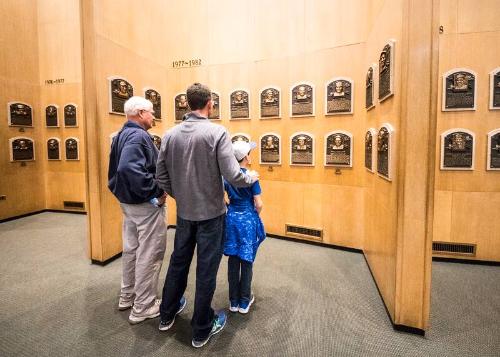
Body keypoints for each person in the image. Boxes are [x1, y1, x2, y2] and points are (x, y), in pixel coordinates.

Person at [156, 83, 259, 348]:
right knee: (206, 270)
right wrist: (251, 177)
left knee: (178, 262)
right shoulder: (217, 132)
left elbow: (161, 176)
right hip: (212, 215)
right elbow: (233, 174)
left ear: (187, 104)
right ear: (210, 103)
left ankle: (166, 314)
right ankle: (202, 329)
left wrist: (180, 194)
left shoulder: (169, 135)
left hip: (185, 213)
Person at [108, 96, 176, 325]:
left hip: (129, 204)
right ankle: (144, 306)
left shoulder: (122, 134)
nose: (154, 115)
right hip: (144, 206)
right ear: (139, 113)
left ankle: (127, 296)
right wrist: (156, 190)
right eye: (151, 112)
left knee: (132, 250)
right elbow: (128, 168)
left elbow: (120, 170)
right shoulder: (138, 136)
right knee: (150, 253)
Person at [224, 140, 265, 315]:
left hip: (231, 218)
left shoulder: (227, 176)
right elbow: (259, 203)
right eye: (249, 153)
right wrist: (254, 213)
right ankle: (244, 301)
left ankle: (233, 301)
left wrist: (231, 207)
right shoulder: (252, 176)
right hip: (248, 219)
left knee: (233, 259)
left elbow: (221, 199)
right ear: (246, 157)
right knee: (246, 260)